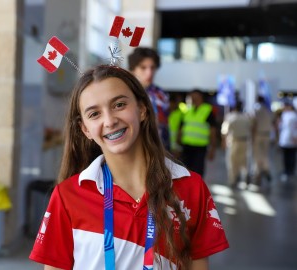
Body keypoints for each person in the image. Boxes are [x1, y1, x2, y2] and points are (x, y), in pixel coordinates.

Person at [29, 65, 229, 269]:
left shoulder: (191, 187)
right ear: (85, 129)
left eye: (119, 105)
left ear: (141, 109)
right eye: (94, 114)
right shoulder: (67, 196)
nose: (109, 121)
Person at [128, 47, 171, 150]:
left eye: (152, 67)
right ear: (133, 69)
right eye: (143, 67)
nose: (149, 73)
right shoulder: (125, 93)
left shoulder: (162, 95)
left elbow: (165, 125)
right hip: (133, 149)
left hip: (159, 148)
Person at [178, 89, 217, 177]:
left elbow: (213, 130)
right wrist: (178, 140)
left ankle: (197, 190)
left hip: (200, 148)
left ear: (200, 97)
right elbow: (181, 126)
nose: (191, 98)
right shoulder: (187, 110)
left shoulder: (207, 110)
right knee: (185, 171)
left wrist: (212, 148)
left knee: (198, 172)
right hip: (186, 146)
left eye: (194, 96)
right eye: (190, 96)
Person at [221, 102, 252, 188]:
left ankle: (233, 179)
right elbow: (252, 127)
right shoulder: (246, 117)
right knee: (244, 160)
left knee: (232, 161)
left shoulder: (230, 117)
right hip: (245, 141)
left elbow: (225, 130)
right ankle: (246, 175)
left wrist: (223, 141)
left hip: (234, 141)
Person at [251, 96, 273, 185]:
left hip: (258, 135)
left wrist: (253, 136)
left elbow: (254, 124)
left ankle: (258, 174)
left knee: (257, 155)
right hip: (267, 135)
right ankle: (266, 170)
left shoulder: (256, 110)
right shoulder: (268, 110)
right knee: (264, 154)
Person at [276, 101, 297, 182]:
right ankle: (287, 170)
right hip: (285, 139)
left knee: (291, 156)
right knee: (286, 156)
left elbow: (295, 128)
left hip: (292, 139)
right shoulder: (285, 115)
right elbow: (282, 127)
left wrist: (295, 137)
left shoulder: (293, 116)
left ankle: (290, 171)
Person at [168, 94, 183, 158]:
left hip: (176, 145)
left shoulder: (180, 114)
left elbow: (181, 130)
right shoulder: (164, 113)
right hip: (164, 144)